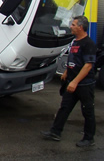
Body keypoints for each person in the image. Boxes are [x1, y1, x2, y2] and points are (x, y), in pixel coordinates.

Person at [41, 16, 96, 147]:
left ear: (80, 27)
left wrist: (75, 82)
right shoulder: (75, 41)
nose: (70, 26)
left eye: (73, 25)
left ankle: (89, 138)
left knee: (87, 111)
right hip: (71, 82)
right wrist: (66, 72)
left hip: (84, 85)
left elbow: (88, 66)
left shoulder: (88, 44)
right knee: (64, 108)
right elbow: (73, 59)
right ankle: (55, 132)